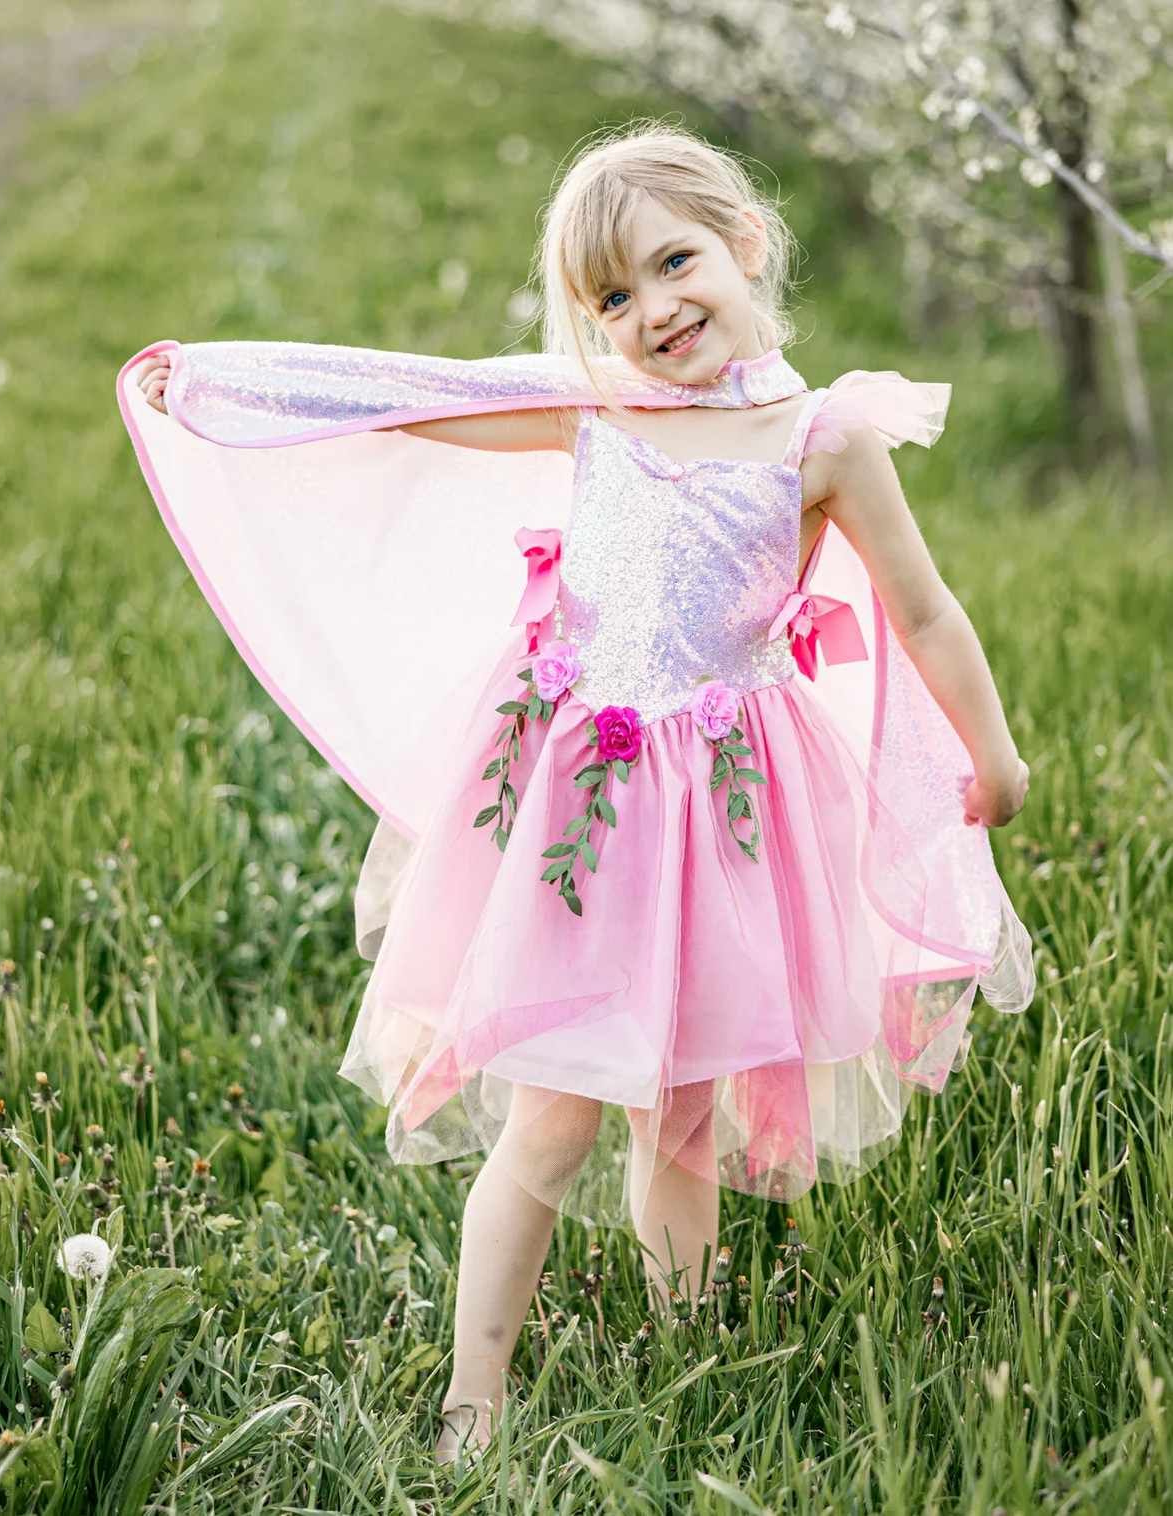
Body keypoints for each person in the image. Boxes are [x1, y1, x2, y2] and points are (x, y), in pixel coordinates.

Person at [123, 124, 1033, 1463]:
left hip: (725, 815)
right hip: (589, 816)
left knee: (682, 1116)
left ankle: (685, 1363)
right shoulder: (602, 407)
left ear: (745, 245)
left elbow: (925, 609)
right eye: (612, 294)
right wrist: (220, 386)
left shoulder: (824, 440)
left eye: (675, 263)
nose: (654, 309)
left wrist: (991, 752)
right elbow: (404, 397)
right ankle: (470, 1397)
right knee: (548, 1118)